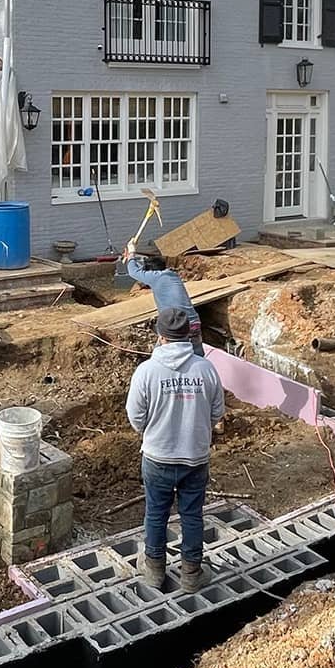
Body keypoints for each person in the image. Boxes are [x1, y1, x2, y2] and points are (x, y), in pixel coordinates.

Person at [125, 307, 225, 592]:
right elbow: (217, 411)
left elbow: (135, 416)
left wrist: (154, 432)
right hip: (195, 457)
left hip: (158, 457)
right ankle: (191, 573)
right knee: (192, 515)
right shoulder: (205, 369)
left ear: (160, 336)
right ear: (189, 336)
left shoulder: (147, 372)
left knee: (156, 513)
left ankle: (155, 571)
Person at [121, 242, 203, 356]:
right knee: (197, 356)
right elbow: (143, 272)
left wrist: (132, 253)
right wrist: (130, 258)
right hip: (194, 323)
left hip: (175, 325)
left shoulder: (155, 277)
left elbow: (134, 272)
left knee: (160, 355)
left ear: (151, 271)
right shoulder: (171, 275)